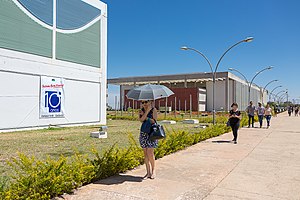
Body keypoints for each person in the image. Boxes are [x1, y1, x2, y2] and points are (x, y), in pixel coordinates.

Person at [139, 100, 158, 179]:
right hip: (143, 133)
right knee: (145, 153)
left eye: (146, 102)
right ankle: (148, 172)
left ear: (150, 102)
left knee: (150, 152)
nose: (144, 104)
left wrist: (146, 116)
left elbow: (154, 121)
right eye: (142, 102)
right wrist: (146, 112)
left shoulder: (154, 110)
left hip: (151, 133)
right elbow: (141, 120)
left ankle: (154, 171)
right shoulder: (141, 110)